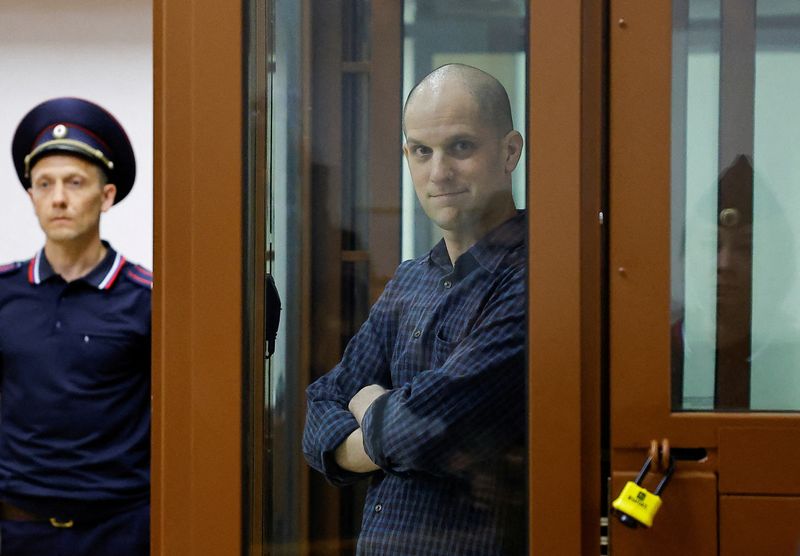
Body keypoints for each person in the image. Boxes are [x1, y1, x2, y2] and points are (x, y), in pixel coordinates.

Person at [303, 64, 527, 555]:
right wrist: (386, 429)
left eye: (461, 147)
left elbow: (428, 428)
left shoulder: (536, 276)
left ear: (509, 151)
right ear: (407, 156)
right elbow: (320, 406)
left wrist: (367, 403)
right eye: (422, 151)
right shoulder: (410, 280)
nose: (439, 172)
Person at [0, 97, 151, 555]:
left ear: (106, 195)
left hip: (119, 532)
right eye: (44, 184)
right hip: (18, 531)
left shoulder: (146, 299)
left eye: (75, 182)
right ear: (31, 196)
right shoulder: (4, 293)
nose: (59, 197)